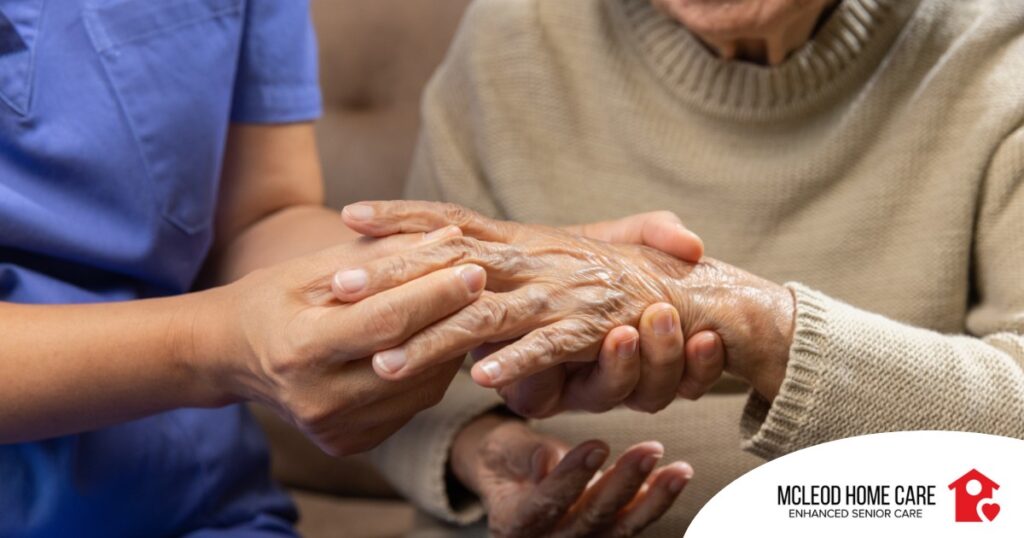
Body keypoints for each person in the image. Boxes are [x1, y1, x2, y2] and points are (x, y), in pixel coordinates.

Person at [0, 1, 705, 535]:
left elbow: (258, 220)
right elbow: (225, 331)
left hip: (201, 505)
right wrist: (214, 345)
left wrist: (493, 261)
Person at [333, 0, 1024, 534]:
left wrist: (755, 323)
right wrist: (482, 450)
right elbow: (391, 371)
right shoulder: (513, 33)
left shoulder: (997, 47)